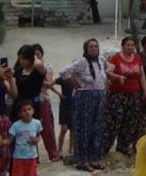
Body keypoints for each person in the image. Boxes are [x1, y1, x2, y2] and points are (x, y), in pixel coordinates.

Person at [59, 38, 110, 172]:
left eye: (96, 46)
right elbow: (63, 72)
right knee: (84, 128)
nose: (94, 49)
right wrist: (74, 83)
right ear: (86, 49)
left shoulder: (101, 60)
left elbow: (106, 73)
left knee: (97, 128)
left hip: (99, 96)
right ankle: (82, 160)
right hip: (84, 97)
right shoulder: (81, 62)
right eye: (91, 47)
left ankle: (94, 158)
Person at [103, 36, 146, 156]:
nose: (130, 47)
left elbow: (142, 76)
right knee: (113, 122)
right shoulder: (116, 58)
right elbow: (108, 73)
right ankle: (104, 148)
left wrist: (145, 91)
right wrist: (117, 77)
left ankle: (123, 148)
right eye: (128, 45)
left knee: (130, 122)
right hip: (117, 96)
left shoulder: (137, 58)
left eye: (132, 45)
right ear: (123, 46)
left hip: (134, 96)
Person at [32, 44, 61, 161]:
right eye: (33, 55)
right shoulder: (26, 67)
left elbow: (49, 83)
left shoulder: (47, 66)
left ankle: (53, 153)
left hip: (43, 99)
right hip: (29, 101)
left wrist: (34, 78)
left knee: (47, 128)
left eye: (38, 54)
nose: (36, 57)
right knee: (30, 128)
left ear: (42, 54)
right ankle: (34, 156)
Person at [12, 45, 47, 123]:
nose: (21, 61)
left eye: (23, 59)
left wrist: (33, 55)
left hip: (32, 106)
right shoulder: (19, 70)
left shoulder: (37, 70)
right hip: (19, 105)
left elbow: (38, 63)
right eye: (19, 59)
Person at [9, 99, 43, 176]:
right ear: (19, 114)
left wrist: (36, 140)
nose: (27, 112)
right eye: (24, 110)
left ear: (33, 111)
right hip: (19, 157)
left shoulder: (37, 123)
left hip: (32, 156)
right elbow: (9, 140)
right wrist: (1, 141)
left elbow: (39, 136)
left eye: (29, 109)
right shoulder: (16, 125)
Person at [54, 75, 74, 157]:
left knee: (73, 129)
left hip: (74, 104)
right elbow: (50, 84)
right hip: (64, 104)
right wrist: (59, 93)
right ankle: (59, 150)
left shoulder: (77, 77)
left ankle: (71, 149)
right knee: (64, 129)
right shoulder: (63, 77)